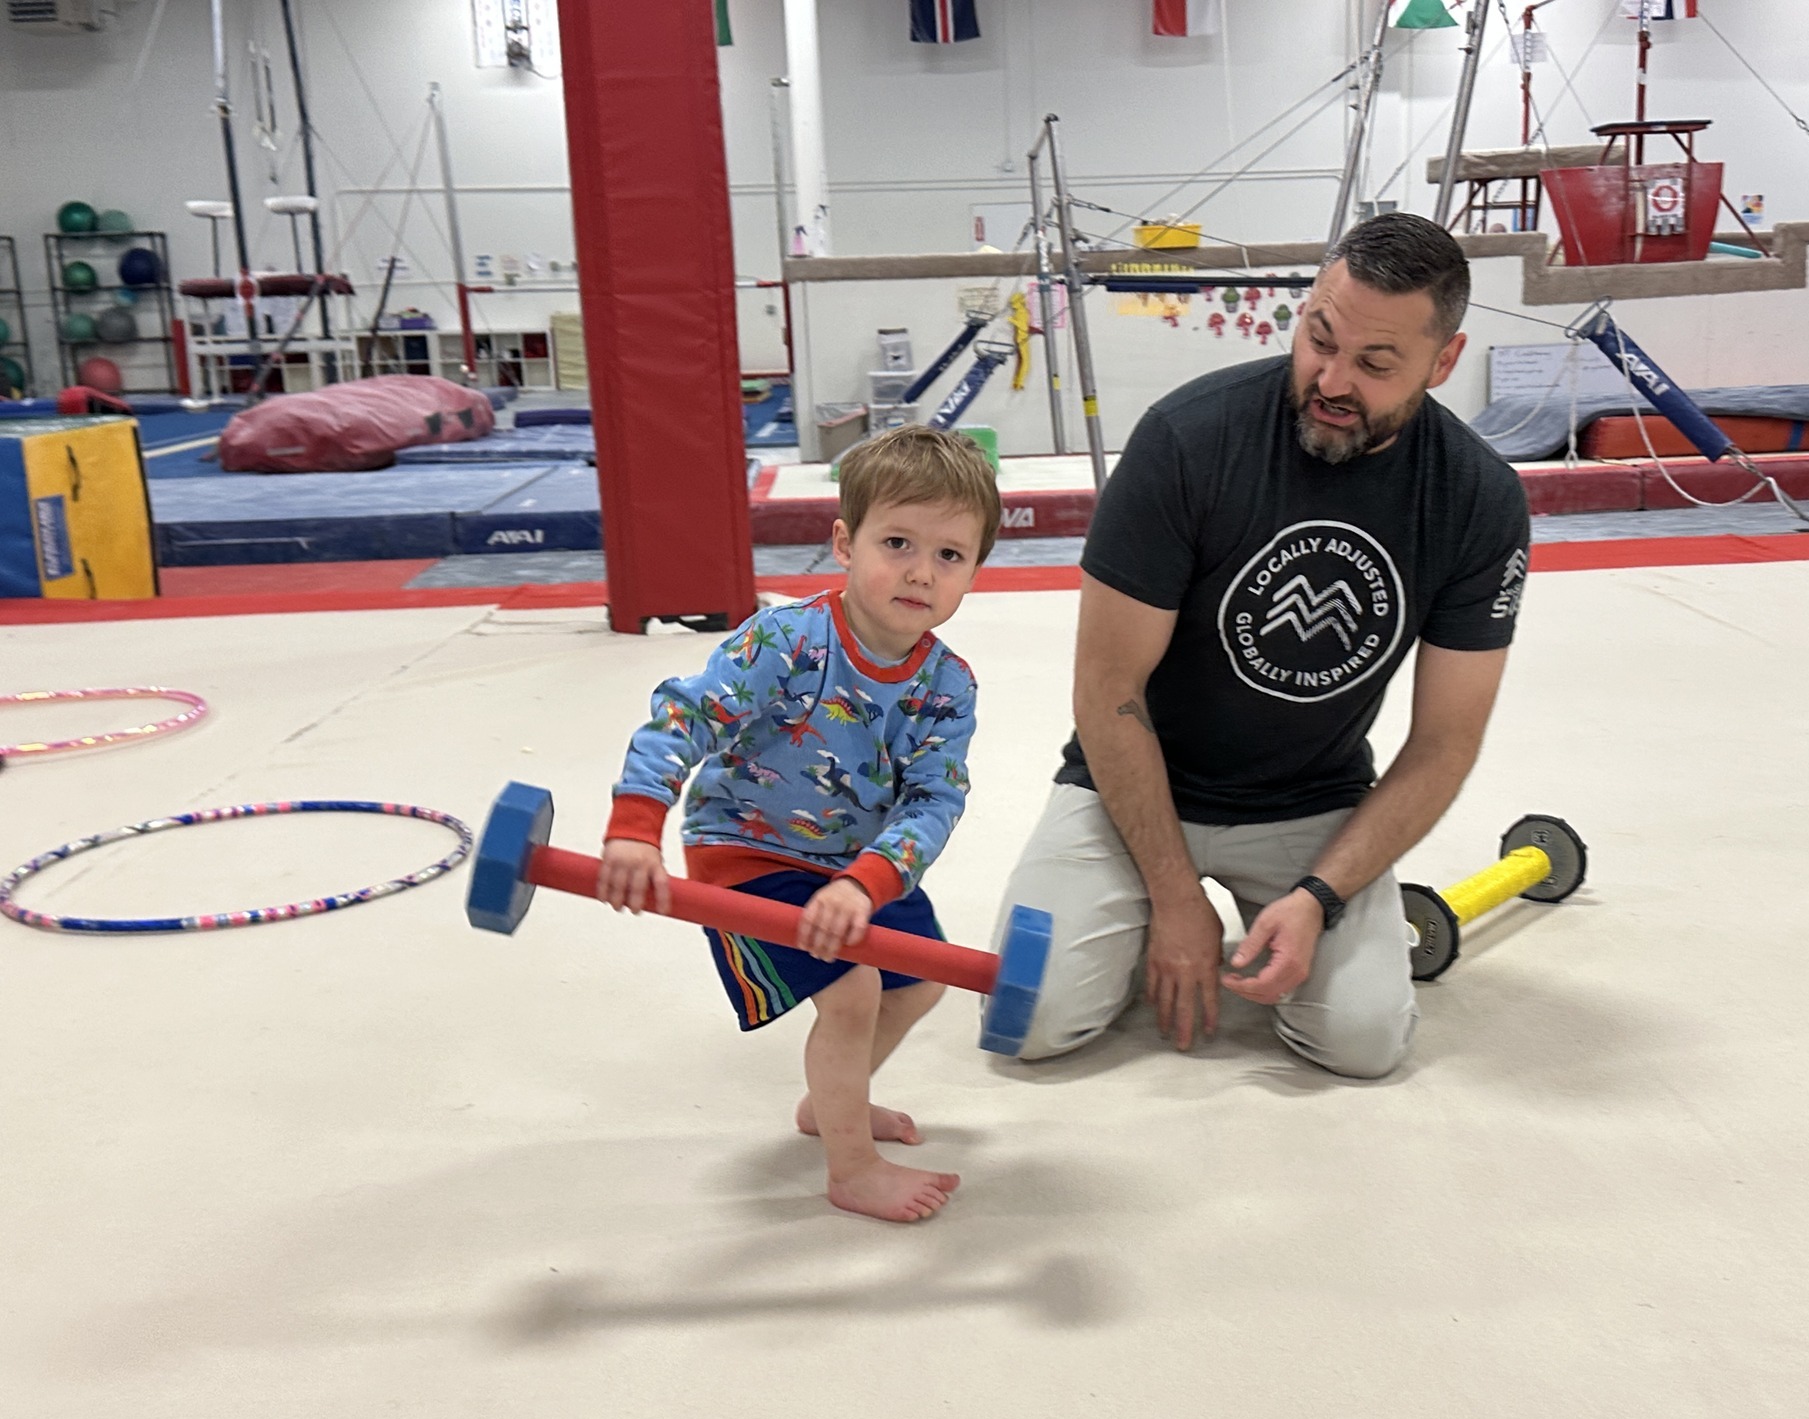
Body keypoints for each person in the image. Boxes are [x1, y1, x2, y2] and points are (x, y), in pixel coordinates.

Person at [995, 212, 1531, 1077]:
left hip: (1308, 804)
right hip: (1134, 785)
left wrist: (1323, 895)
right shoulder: (1187, 441)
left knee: (1362, 1045)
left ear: (1444, 363)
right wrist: (1172, 897)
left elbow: (1445, 743)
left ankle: (1274, 922)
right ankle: (1127, 921)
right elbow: (1107, 691)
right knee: (1028, 1021)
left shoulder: (1478, 499)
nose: (1331, 378)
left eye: (1375, 364)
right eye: (1319, 338)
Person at [597, 425, 999, 1221]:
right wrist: (634, 826)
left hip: (854, 863)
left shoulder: (949, 685)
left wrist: (865, 880)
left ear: (976, 571)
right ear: (845, 544)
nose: (921, 571)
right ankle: (851, 1167)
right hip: (749, 852)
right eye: (897, 542)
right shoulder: (785, 641)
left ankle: (831, 1101)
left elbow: (933, 800)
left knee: (919, 983)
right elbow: (686, 716)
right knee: (852, 990)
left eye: (950, 556)